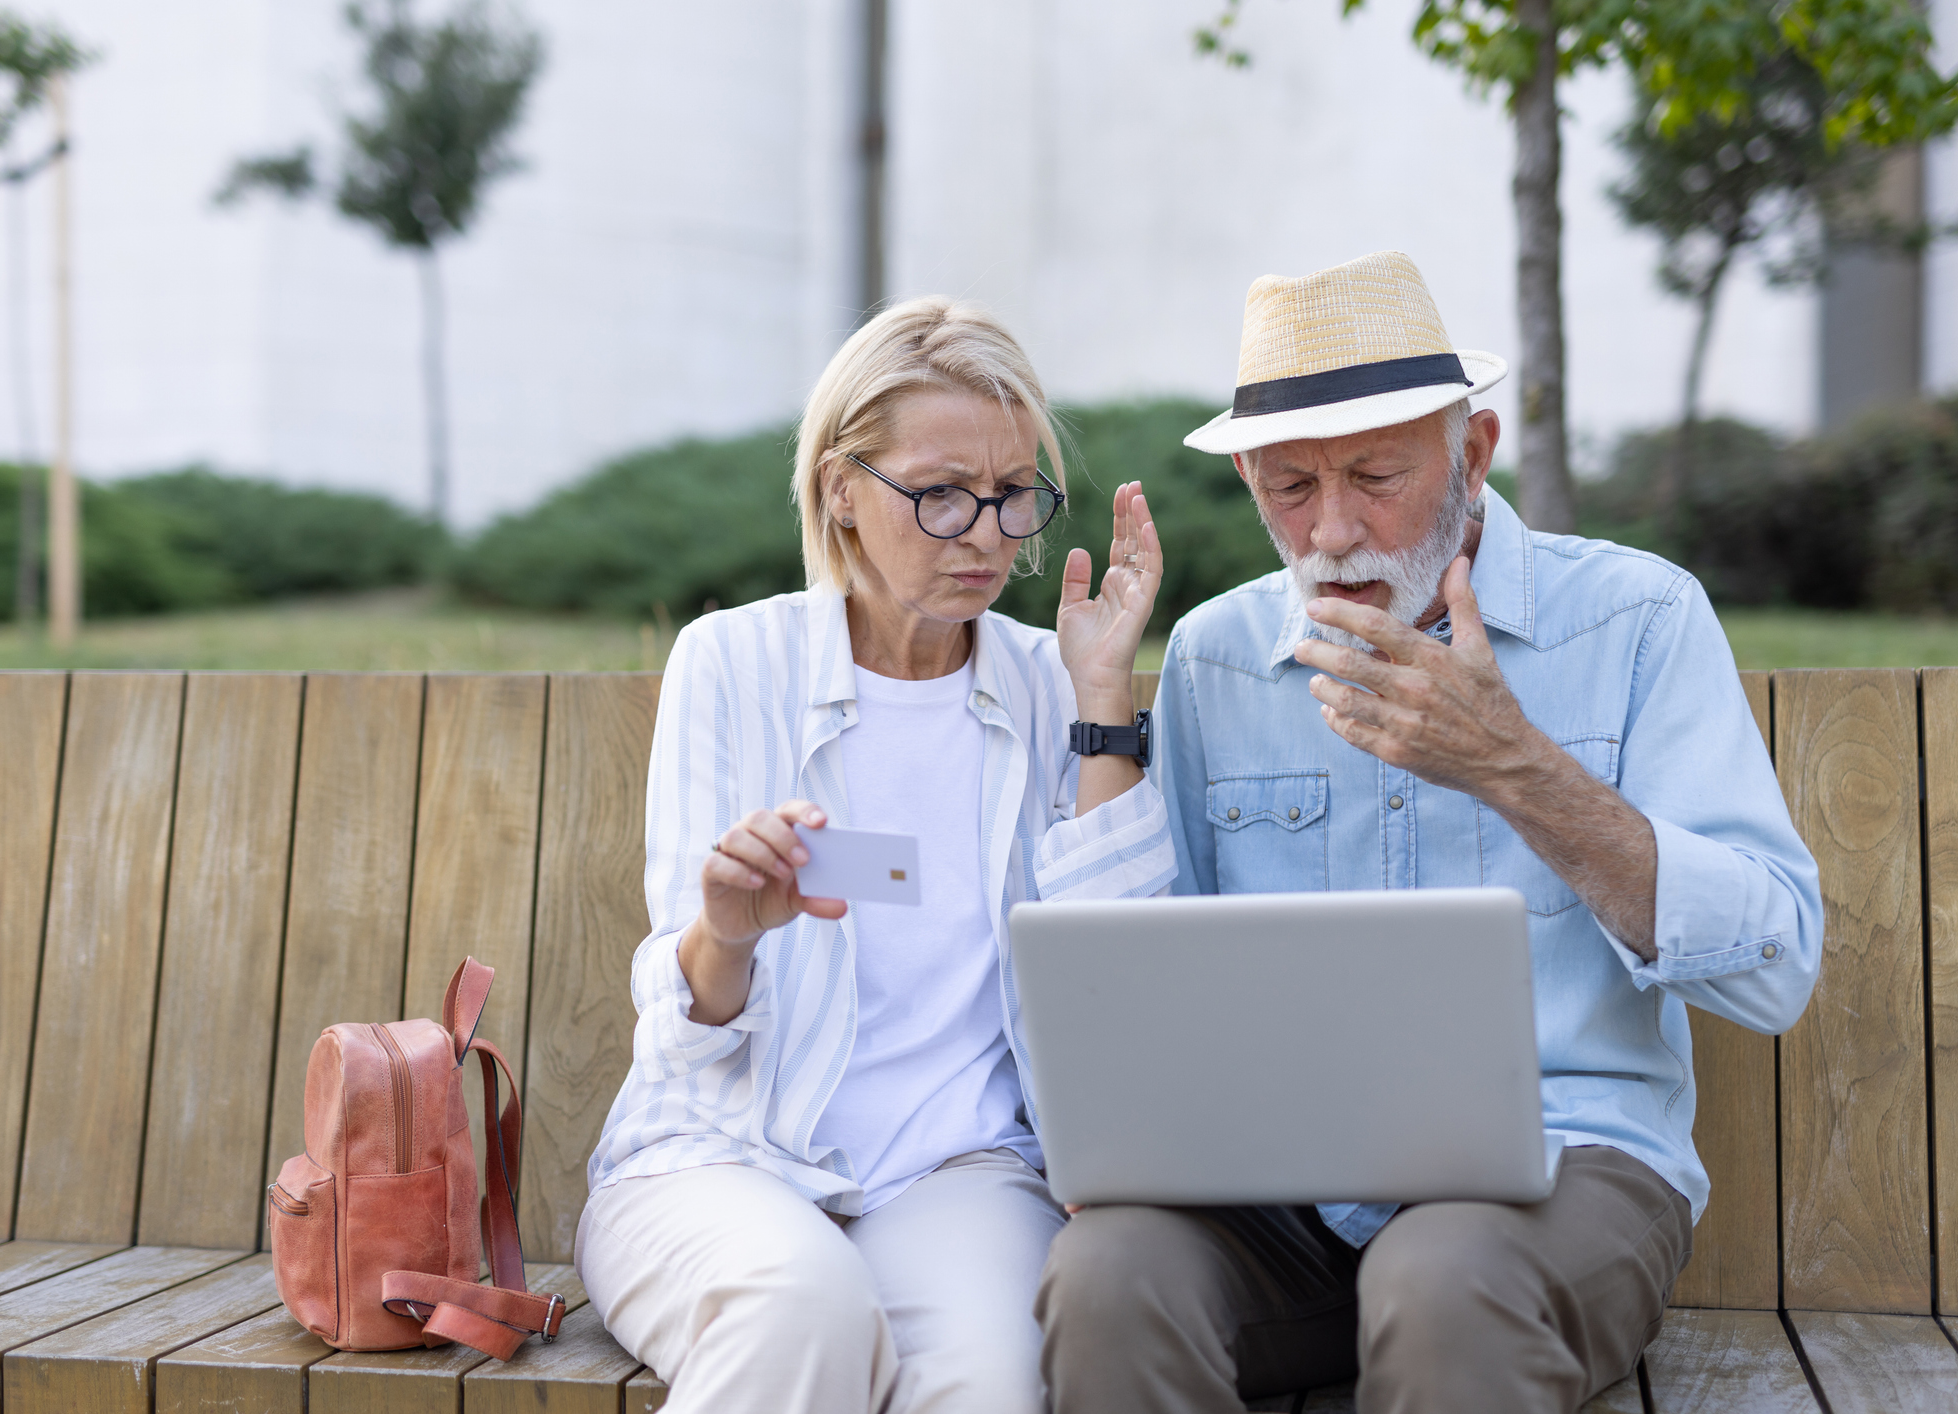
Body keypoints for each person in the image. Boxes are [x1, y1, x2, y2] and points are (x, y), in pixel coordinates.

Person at [1036, 251, 1823, 1413]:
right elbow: (1149, 986)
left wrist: (1514, 768)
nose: (1336, 531)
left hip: (1565, 1174)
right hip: (1281, 1196)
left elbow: (1776, 965)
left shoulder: (1640, 619)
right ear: (1249, 478)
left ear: (1474, 453)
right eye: (1290, 488)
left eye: (1374, 475)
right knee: (1106, 1276)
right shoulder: (1216, 655)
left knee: (1441, 1277)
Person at [578, 296, 1176, 1414]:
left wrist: (1102, 701)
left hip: (959, 1172)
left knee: (995, 1377)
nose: (988, 534)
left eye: (1011, 495)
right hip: (719, 1156)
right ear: (842, 489)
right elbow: (684, 1028)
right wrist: (728, 929)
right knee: (801, 1310)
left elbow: (1121, 971)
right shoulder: (732, 663)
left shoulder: (1053, 680)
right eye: (942, 492)